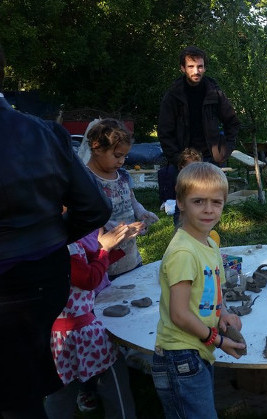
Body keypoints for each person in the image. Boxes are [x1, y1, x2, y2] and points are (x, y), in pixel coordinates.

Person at [0, 44, 112, 418]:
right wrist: (49, 238)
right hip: (42, 280)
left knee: (18, 392)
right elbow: (94, 207)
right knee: (23, 389)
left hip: (19, 288)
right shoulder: (44, 132)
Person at [152, 162, 246, 418]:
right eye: (198, 202)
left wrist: (223, 313)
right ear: (180, 202)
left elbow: (213, 288)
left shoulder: (208, 243)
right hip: (180, 354)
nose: (208, 210)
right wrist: (219, 340)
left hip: (196, 349)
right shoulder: (183, 252)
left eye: (216, 202)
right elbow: (179, 315)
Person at [45, 227, 137, 418]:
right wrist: (104, 249)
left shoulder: (46, 240)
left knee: (60, 386)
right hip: (82, 330)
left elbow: (89, 265)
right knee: (114, 376)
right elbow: (88, 278)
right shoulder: (66, 247)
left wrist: (114, 247)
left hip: (57, 333)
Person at [158, 45, 241, 205]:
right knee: (184, 205)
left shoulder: (214, 92)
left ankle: (208, 231)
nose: (196, 71)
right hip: (184, 160)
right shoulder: (173, 95)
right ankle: (182, 230)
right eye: (191, 66)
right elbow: (164, 132)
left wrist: (224, 151)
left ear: (205, 67)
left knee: (209, 205)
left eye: (200, 66)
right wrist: (177, 159)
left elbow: (232, 122)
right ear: (182, 68)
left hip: (210, 158)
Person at [85, 118, 159, 279]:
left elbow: (131, 199)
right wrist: (117, 230)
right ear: (97, 147)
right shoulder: (87, 179)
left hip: (130, 257)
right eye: (117, 155)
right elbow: (86, 217)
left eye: (125, 156)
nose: (122, 161)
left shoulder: (123, 175)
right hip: (103, 263)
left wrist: (141, 213)